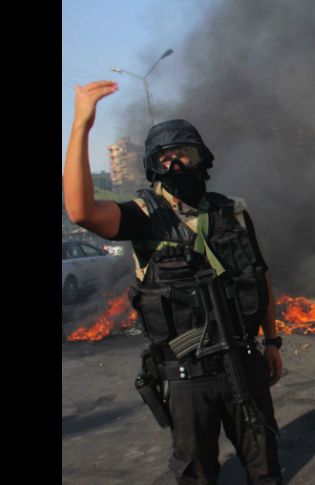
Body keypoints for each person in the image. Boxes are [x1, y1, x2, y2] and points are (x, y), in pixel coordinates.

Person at [63, 81, 284, 484]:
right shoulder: (143, 216)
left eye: (183, 154)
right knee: (196, 473)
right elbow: (80, 212)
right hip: (187, 377)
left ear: (203, 158)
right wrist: (81, 125)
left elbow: (260, 278)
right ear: (153, 168)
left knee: (266, 467)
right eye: (164, 159)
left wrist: (271, 342)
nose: (175, 165)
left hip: (243, 361)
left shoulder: (231, 213)